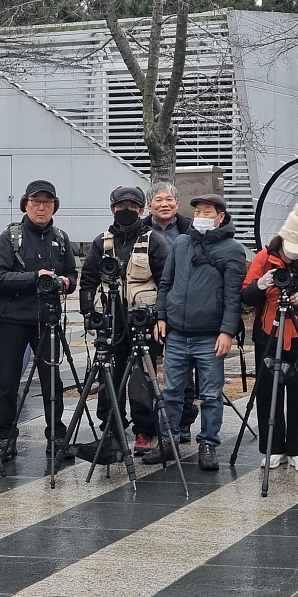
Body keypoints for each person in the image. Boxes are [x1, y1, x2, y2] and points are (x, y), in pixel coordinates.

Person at [151, 194, 246, 470]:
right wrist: (161, 316)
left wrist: (227, 331)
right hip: (177, 333)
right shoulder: (182, 243)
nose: (201, 216)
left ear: (220, 217)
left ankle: (208, 443)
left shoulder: (232, 250)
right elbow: (166, 283)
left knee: (211, 395)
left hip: (210, 336)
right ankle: (168, 441)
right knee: (171, 391)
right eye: (198, 211)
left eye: (208, 212)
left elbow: (233, 297)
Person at [0, 179, 77, 465]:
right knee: (7, 381)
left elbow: (72, 275)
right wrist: (34, 277)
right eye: (36, 202)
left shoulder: (61, 238)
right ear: (25, 204)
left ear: (54, 206)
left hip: (48, 319)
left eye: (47, 202)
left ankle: (57, 436)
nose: (41, 207)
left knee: (53, 381)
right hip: (13, 319)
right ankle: (6, 436)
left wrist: (65, 283)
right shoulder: (10, 237)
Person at [79, 185, 172, 457]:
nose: (126, 211)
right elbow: (88, 281)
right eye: (121, 206)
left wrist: (161, 317)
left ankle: (145, 430)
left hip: (144, 322)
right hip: (111, 323)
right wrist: (89, 314)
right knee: (109, 378)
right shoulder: (101, 242)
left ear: (141, 210)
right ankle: (111, 428)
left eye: (132, 206)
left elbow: (167, 282)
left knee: (143, 380)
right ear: (112, 209)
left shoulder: (155, 241)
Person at [242, 203, 298, 472]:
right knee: (267, 391)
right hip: (268, 332)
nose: (294, 256)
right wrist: (261, 284)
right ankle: (273, 448)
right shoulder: (264, 258)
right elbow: (245, 294)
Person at [145, 181, 198, 440]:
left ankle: (184, 420)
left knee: (182, 367)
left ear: (177, 203)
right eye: (158, 200)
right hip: (148, 307)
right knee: (149, 367)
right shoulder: (141, 231)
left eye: (169, 200)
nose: (164, 204)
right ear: (149, 206)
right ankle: (151, 422)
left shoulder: (192, 230)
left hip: (183, 309)